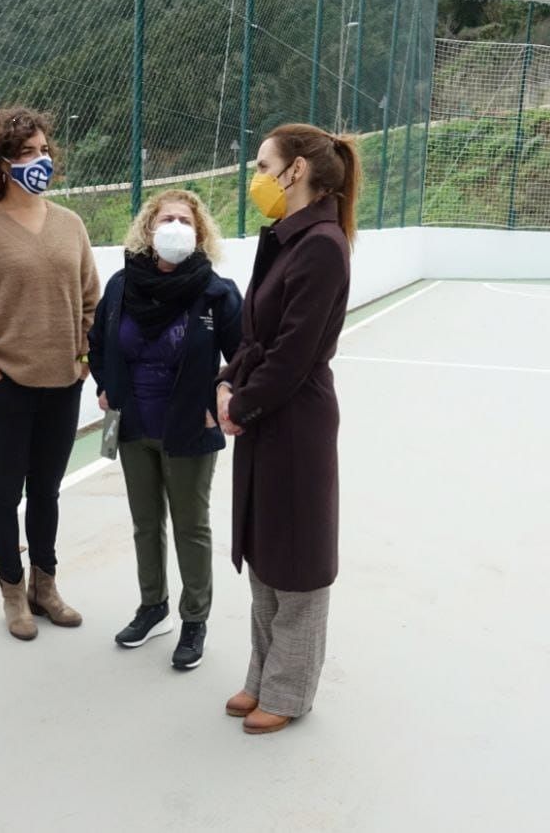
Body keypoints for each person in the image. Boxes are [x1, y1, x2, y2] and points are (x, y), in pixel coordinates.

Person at [0, 107, 99, 641]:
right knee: (5, 492)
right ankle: (12, 593)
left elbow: (91, 300)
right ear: (0, 162)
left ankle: (44, 587)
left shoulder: (70, 224)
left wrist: (83, 357)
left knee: (47, 490)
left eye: (45, 150)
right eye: (27, 153)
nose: (40, 161)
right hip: (2, 387)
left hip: (62, 384)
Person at [216, 123, 359, 734]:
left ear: (296, 170)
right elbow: (255, 337)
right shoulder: (284, 238)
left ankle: (290, 690)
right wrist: (226, 383)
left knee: (296, 558)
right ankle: (262, 676)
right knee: (267, 547)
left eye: (262, 163)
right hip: (267, 411)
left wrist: (239, 406)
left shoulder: (322, 244)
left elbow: (294, 355)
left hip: (295, 416)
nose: (257, 176)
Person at [89, 190, 242, 669]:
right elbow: (98, 343)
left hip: (189, 427)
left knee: (191, 527)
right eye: (165, 219)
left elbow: (241, 358)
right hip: (133, 423)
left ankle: (194, 619)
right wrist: (105, 385)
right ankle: (152, 607)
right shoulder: (120, 287)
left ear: (199, 234)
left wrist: (222, 393)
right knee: (144, 522)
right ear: (148, 229)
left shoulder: (217, 292)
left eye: (185, 221)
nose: (174, 227)